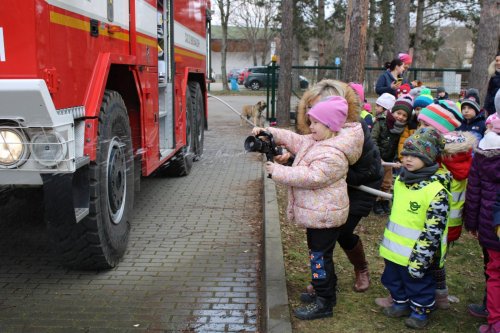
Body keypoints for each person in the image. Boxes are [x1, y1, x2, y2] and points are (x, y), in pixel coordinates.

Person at [252, 96, 364, 320]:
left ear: (330, 125)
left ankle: (324, 302)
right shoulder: (317, 140)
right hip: (320, 217)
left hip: (325, 218)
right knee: (321, 255)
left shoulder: (333, 153)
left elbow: (311, 177)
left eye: (314, 123)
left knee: (319, 258)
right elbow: (295, 140)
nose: (310, 127)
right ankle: (326, 293)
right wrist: (270, 132)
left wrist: (277, 171)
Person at [294, 80, 383, 295]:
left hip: (359, 187)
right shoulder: (317, 128)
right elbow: (310, 162)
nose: (312, 115)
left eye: (317, 107)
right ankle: (323, 281)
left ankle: (360, 268)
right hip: (330, 188)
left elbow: (368, 171)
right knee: (319, 236)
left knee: (341, 232)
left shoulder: (355, 131)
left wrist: (332, 173)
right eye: (310, 108)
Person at [377, 127, 451, 330]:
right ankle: (400, 303)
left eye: (414, 155)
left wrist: (423, 256)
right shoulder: (401, 180)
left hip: (417, 253)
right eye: (405, 155)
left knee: (418, 283)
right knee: (393, 279)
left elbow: (433, 230)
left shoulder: (436, 191)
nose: (407, 159)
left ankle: (420, 310)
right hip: (394, 250)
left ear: (428, 158)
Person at [465, 90, 500, 325]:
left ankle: (492, 310)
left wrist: (472, 221)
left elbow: (474, 188)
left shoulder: (485, 144)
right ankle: (491, 307)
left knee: (493, 268)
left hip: (489, 221)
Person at [371, 97, 412, 215]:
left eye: (404, 116)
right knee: (377, 180)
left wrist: (398, 159)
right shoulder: (381, 122)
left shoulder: (403, 129)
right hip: (376, 157)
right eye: (398, 113)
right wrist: (378, 156)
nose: (400, 117)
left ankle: (384, 201)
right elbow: (373, 139)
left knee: (387, 182)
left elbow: (399, 145)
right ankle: (377, 201)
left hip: (389, 160)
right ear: (393, 112)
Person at [484, 52, 500, 117]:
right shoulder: (493, 77)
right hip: (493, 111)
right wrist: (487, 107)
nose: (498, 63)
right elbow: (489, 94)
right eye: (497, 60)